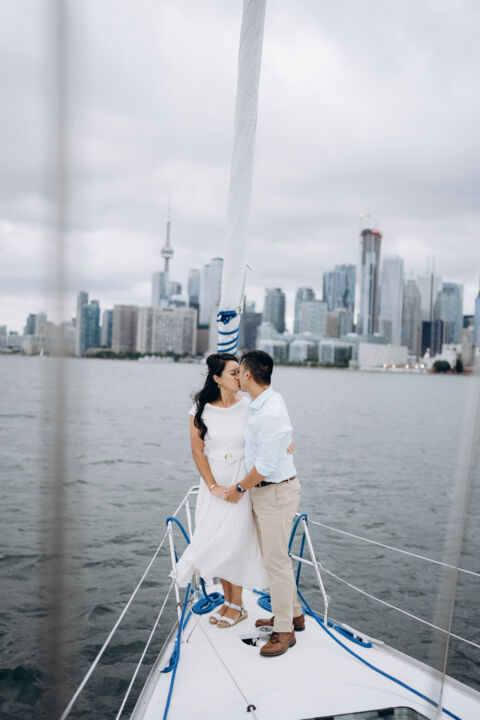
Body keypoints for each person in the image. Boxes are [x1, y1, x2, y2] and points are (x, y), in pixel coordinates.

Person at [173, 353, 268, 629]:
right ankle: (228, 601)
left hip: (239, 481)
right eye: (233, 373)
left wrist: (285, 444)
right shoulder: (200, 409)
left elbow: (266, 437)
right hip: (213, 484)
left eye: (240, 371)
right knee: (217, 542)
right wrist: (212, 485)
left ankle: (237, 606)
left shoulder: (249, 406)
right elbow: (197, 451)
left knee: (233, 542)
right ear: (217, 378)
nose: (240, 377)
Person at [224, 350, 304, 657]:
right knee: (275, 559)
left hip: (275, 493)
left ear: (247, 374)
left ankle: (284, 630)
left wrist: (238, 488)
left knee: (276, 562)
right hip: (267, 492)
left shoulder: (268, 410)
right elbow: (277, 442)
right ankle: (293, 614)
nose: (237, 376)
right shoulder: (265, 403)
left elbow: (266, 466)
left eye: (239, 371)